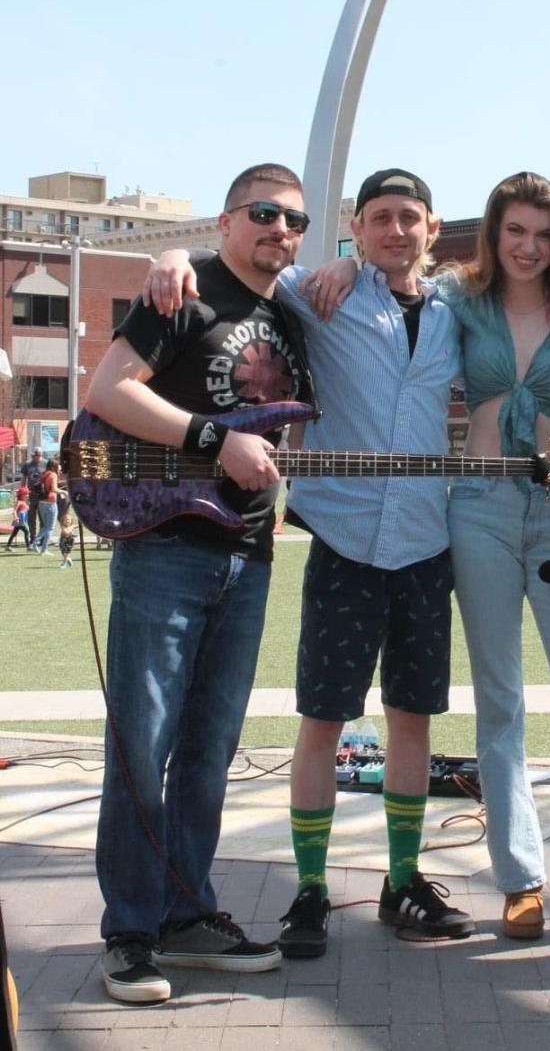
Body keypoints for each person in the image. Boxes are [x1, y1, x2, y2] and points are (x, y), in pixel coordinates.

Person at [145, 168, 474, 959]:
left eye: (411, 219)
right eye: (380, 219)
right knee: (324, 720)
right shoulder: (317, 293)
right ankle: (312, 890)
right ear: (355, 230)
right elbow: (241, 264)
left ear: (432, 230)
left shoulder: (461, 311)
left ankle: (402, 881)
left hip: (428, 541)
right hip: (344, 537)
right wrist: (171, 254)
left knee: (412, 719)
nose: (397, 231)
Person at [306, 171, 550, 948]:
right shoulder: (461, 301)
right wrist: (345, 260)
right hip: (475, 512)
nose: (529, 247)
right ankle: (519, 879)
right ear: (491, 234)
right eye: (515, 231)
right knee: (499, 705)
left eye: (544, 234)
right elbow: (374, 276)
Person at [86, 163, 311, 1005]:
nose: (279, 230)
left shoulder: (288, 317)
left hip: (248, 555)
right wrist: (215, 440)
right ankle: (131, 932)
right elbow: (106, 392)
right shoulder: (181, 292)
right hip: (163, 547)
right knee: (143, 745)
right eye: (263, 213)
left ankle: (187, 912)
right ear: (226, 221)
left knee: (210, 751)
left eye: (294, 219)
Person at [33, 459, 59, 555]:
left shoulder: (43, 474)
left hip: (41, 502)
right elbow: (54, 489)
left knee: (45, 526)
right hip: (50, 503)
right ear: (54, 466)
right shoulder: (53, 475)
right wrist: (65, 492)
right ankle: (41, 547)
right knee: (50, 527)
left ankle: (38, 545)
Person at [20, 448, 45, 545]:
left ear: (40, 455)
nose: (32, 457)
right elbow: (23, 479)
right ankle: (33, 538)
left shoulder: (46, 464)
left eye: (34, 455)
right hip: (31, 495)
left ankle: (42, 538)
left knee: (42, 517)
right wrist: (22, 493)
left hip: (42, 495)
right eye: (32, 455)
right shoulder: (27, 464)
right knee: (31, 517)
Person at [4, 485, 30, 552]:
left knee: (14, 534)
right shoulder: (19, 502)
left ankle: (8, 546)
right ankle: (28, 547)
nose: (27, 495)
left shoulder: (24, 502)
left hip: (22, 521)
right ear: (22, 495)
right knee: (26, 532)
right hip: (19, 521)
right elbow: (14, 511)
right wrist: (16, 518)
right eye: (26, 494)